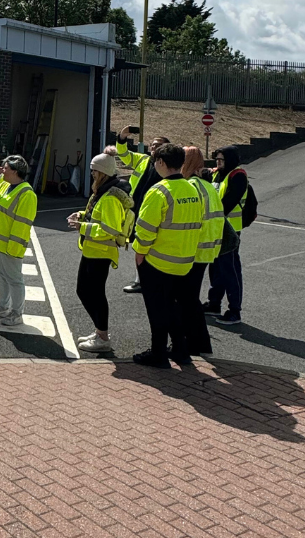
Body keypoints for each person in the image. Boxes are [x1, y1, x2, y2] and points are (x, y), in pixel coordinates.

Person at [131, 144, 204, 368]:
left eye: (155, 162)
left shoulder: (159, 191)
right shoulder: (193, 189)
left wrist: (139, 255)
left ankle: (158, 354)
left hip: (158, 261)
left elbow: (144, 229)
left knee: (157, 310)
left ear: (161, 162)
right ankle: (181, 351)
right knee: (174, 308)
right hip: (184, 261)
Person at [68, 153, 134, 354]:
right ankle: (99, 331)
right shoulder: (103, 192)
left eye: (94, 170)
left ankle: (103, 336)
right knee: (86, 291)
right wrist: (80, 216)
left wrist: (82, 227)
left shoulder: (110, 197)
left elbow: (110, 229)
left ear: (102, 172)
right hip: (93, 250)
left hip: (101, 251)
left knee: (94, 293)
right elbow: (95, 216)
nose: (92, 173)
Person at [0, 154, 38, 327]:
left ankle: (17, 313)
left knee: (14, 279)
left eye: (5, 168)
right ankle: (3, 307)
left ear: (14, 171)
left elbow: (22, 224)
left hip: (9, 246)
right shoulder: (4, 185)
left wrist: (14, 248)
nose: (1, 170)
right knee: (3, 277)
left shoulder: (27, 194)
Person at [180, 146, 224, 356]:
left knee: (186, 300)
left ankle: (196, 343)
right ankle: (200, 344)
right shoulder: (207, 186)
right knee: (190, 298)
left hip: (193, 251)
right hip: (208, 250)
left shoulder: (191, 186)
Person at [116, 127, 171, 294]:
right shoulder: (143, 160)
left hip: (158, 212)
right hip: (137, 211)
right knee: (139, 246)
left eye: (159, 145)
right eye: (153, 145)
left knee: (155, 248)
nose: (154, 148)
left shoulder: (171, 166)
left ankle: (155, 281)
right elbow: (124, 155)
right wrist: (122, 137)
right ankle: (140, 280)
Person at [205, 145, 248, 325]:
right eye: (217, 160)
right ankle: (214, 303)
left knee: (230, 269)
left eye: (221, 160)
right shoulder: (218, 174)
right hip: (217, 227)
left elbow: (227, 203)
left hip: (230, 230)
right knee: (216, 268)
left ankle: (234, 310)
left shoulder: (237, 176)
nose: (218, 163)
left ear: (229, 160)